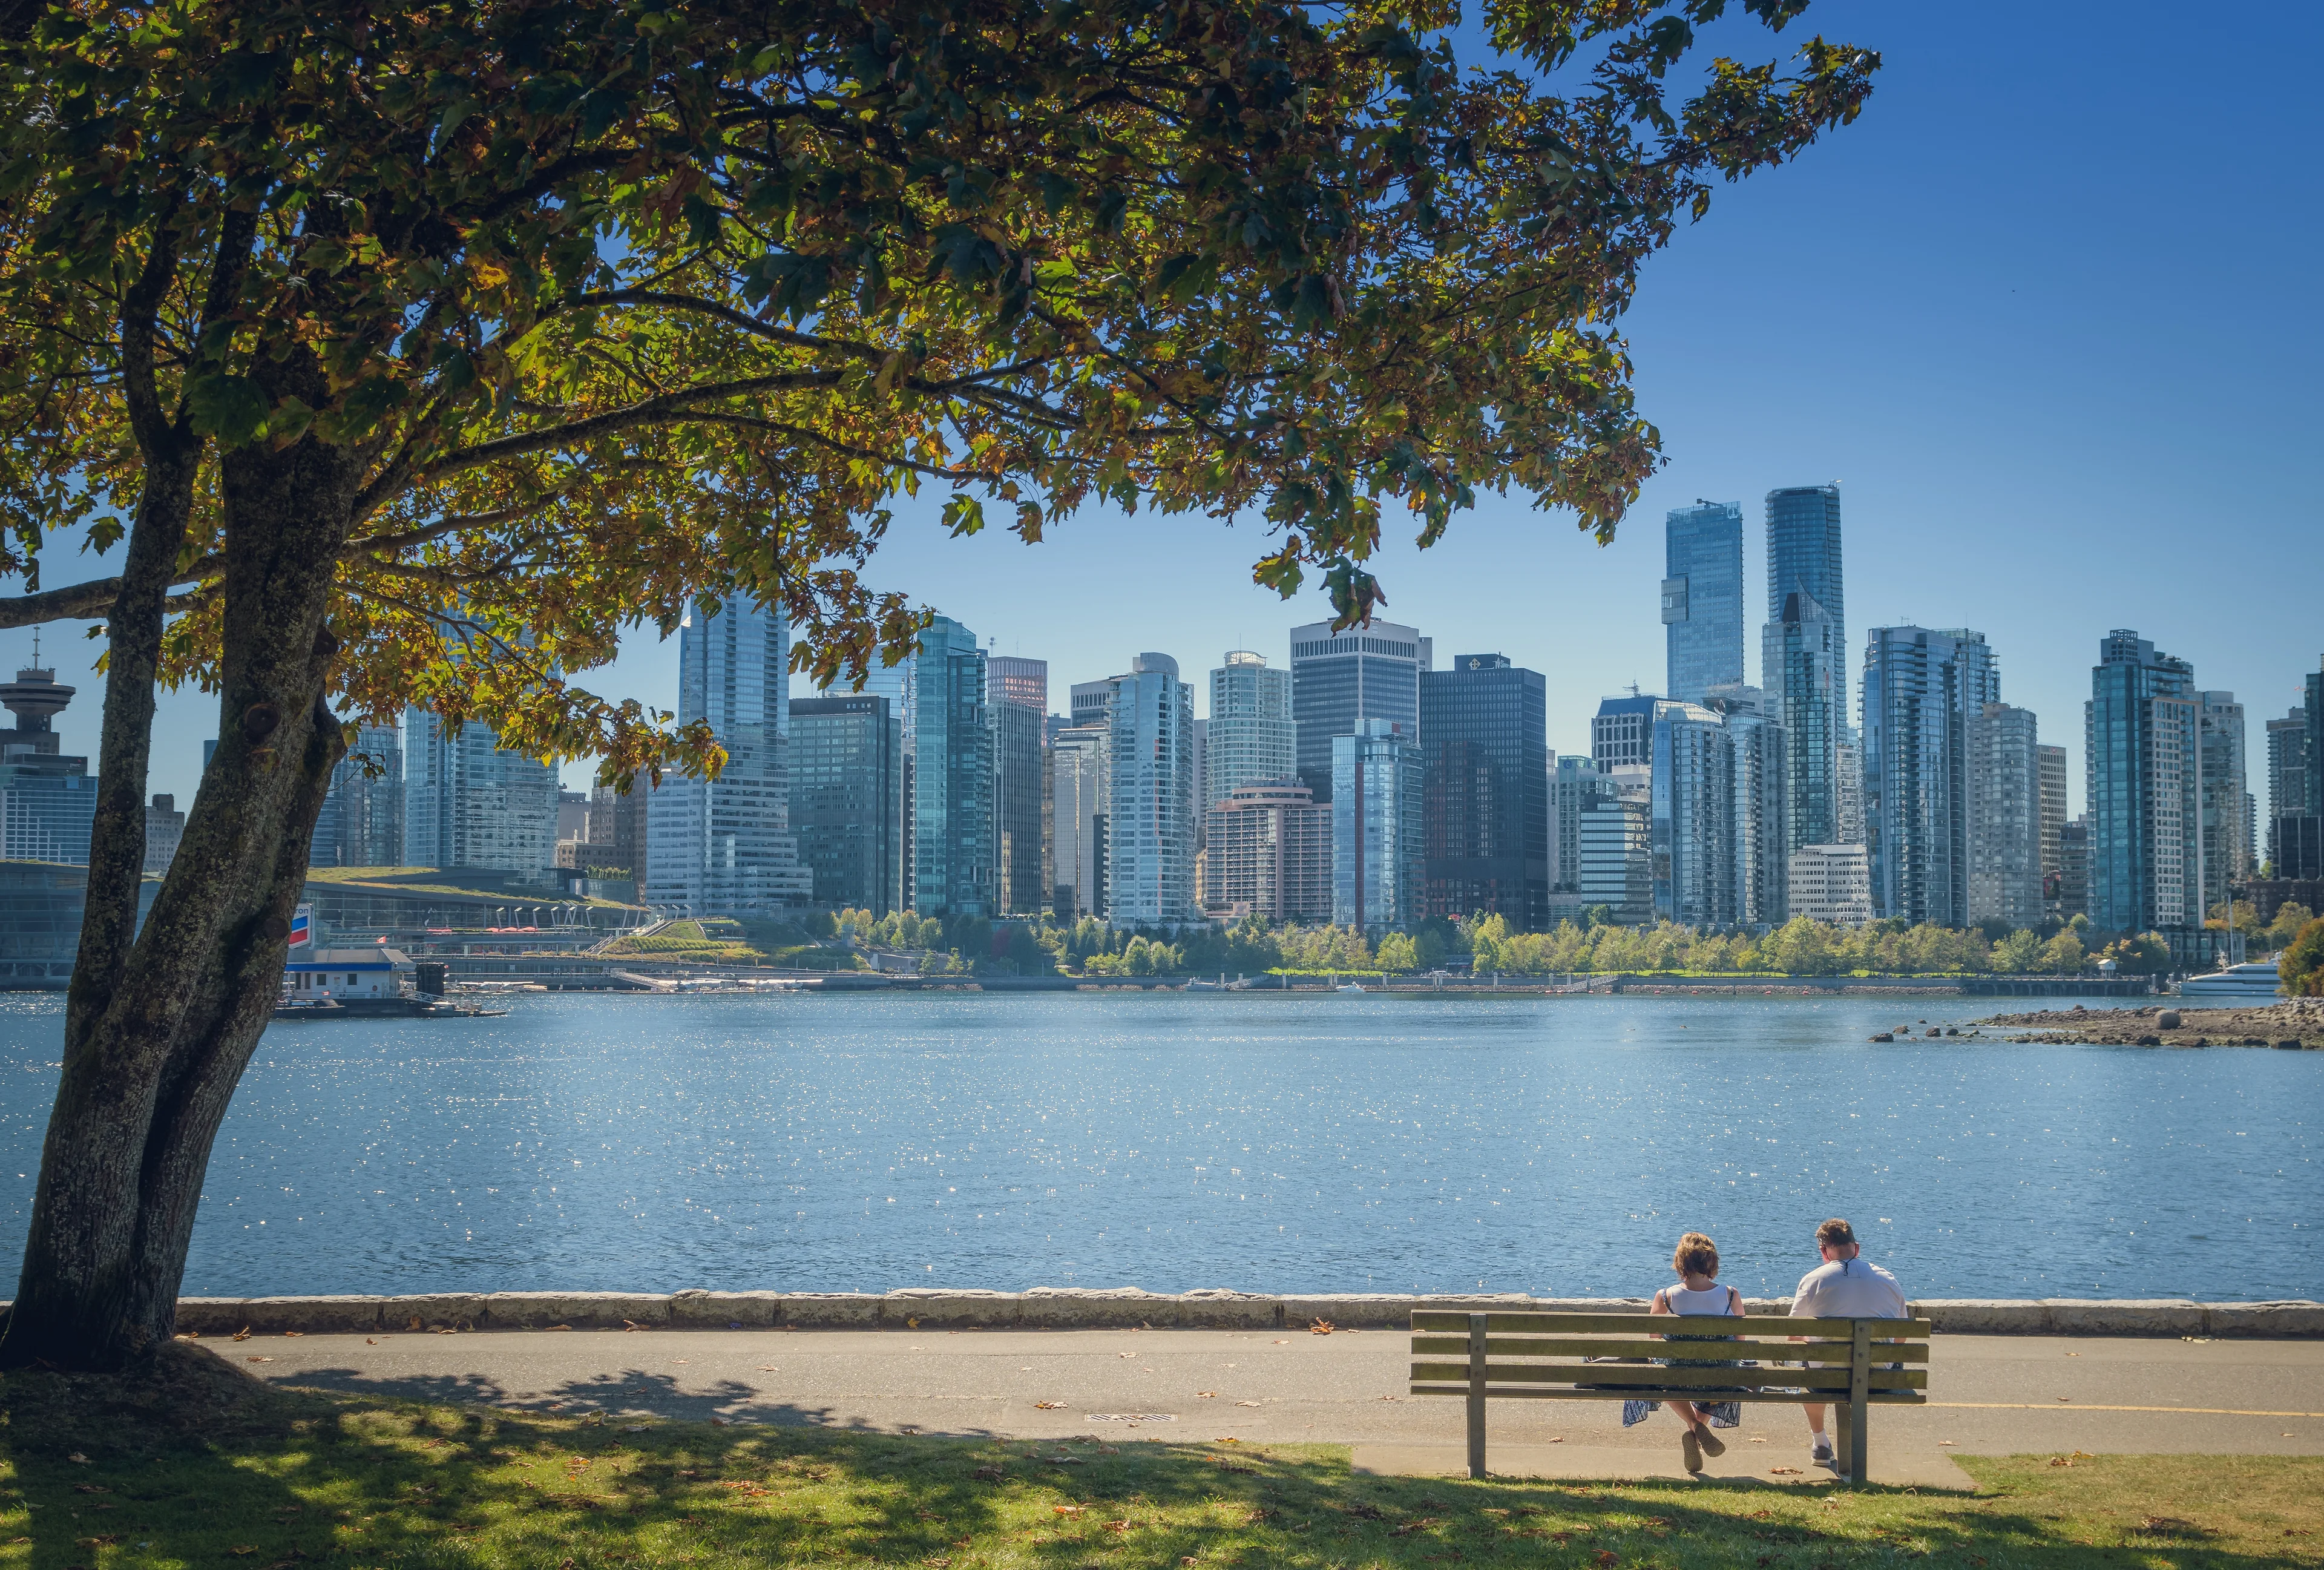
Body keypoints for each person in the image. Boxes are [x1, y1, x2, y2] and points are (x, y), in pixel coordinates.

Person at [1620, 1231, 1744, 1473]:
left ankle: (1694, 1426)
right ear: (1712, 1263)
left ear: (1681, 1263)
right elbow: (1740, 1342)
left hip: (1677, 1377)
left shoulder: (1665, 1297)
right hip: (1719, 1378)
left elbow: (1654, 1340)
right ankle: (1697, 1429)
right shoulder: (1730, 1295)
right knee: (1724, 1376)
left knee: (1662, 1375)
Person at [1789, 1217, 1908, 1465]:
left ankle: (1820, 1443)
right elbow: (1901, 1335)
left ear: (1823, 1251)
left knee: (1807, 1366)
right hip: (1877, 1380)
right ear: (1857, 1248)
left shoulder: (1814, 1280)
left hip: (1826, 1381)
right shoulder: (1887, 1278)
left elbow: (1793, 1334)